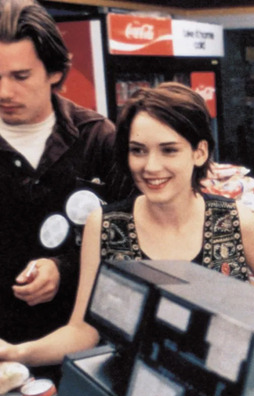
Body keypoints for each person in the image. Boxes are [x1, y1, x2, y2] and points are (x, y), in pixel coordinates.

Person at [0, 82, 254, 367]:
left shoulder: (234, 220)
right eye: (138, 150)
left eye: (169, 150)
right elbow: (83, 331)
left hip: (218, 391)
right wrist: (16, 353)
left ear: (199, 152)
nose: (150, 166)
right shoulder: (103, 226)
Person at [0, 0, 131, 348]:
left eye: (20, 76)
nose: (3, 92)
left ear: (54, 71)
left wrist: (65, 267)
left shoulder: (97, 137)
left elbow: (132, 234)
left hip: (85, 343)